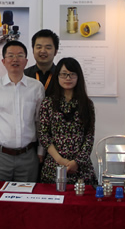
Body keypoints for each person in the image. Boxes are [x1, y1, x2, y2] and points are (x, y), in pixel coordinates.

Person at [0, 40, 45, 185]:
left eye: (20, 55)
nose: (15, 59)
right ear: (3, 61)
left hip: (27, 156)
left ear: (26, 61)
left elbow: (40, 123)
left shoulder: (37, 87)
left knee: (26, 197)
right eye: (10, 55)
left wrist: (41, 150)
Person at [38, 57, 97, 185]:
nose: (68, 78)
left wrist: (77, 162)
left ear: (78, 77)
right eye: (64, 74)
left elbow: (89, 136)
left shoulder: (87, 104)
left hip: (81, 167)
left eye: (72, 74)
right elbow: (43, 135)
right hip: (54, 165)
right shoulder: (48, 103)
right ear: (57, 76)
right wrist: (60, 160)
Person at [24, 29, 59, 96]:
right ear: (33, 50)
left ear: (55, 52)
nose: (43, 51)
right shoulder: (24, 75)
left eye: (48, 48)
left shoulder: (61, 75)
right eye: (39, 47)